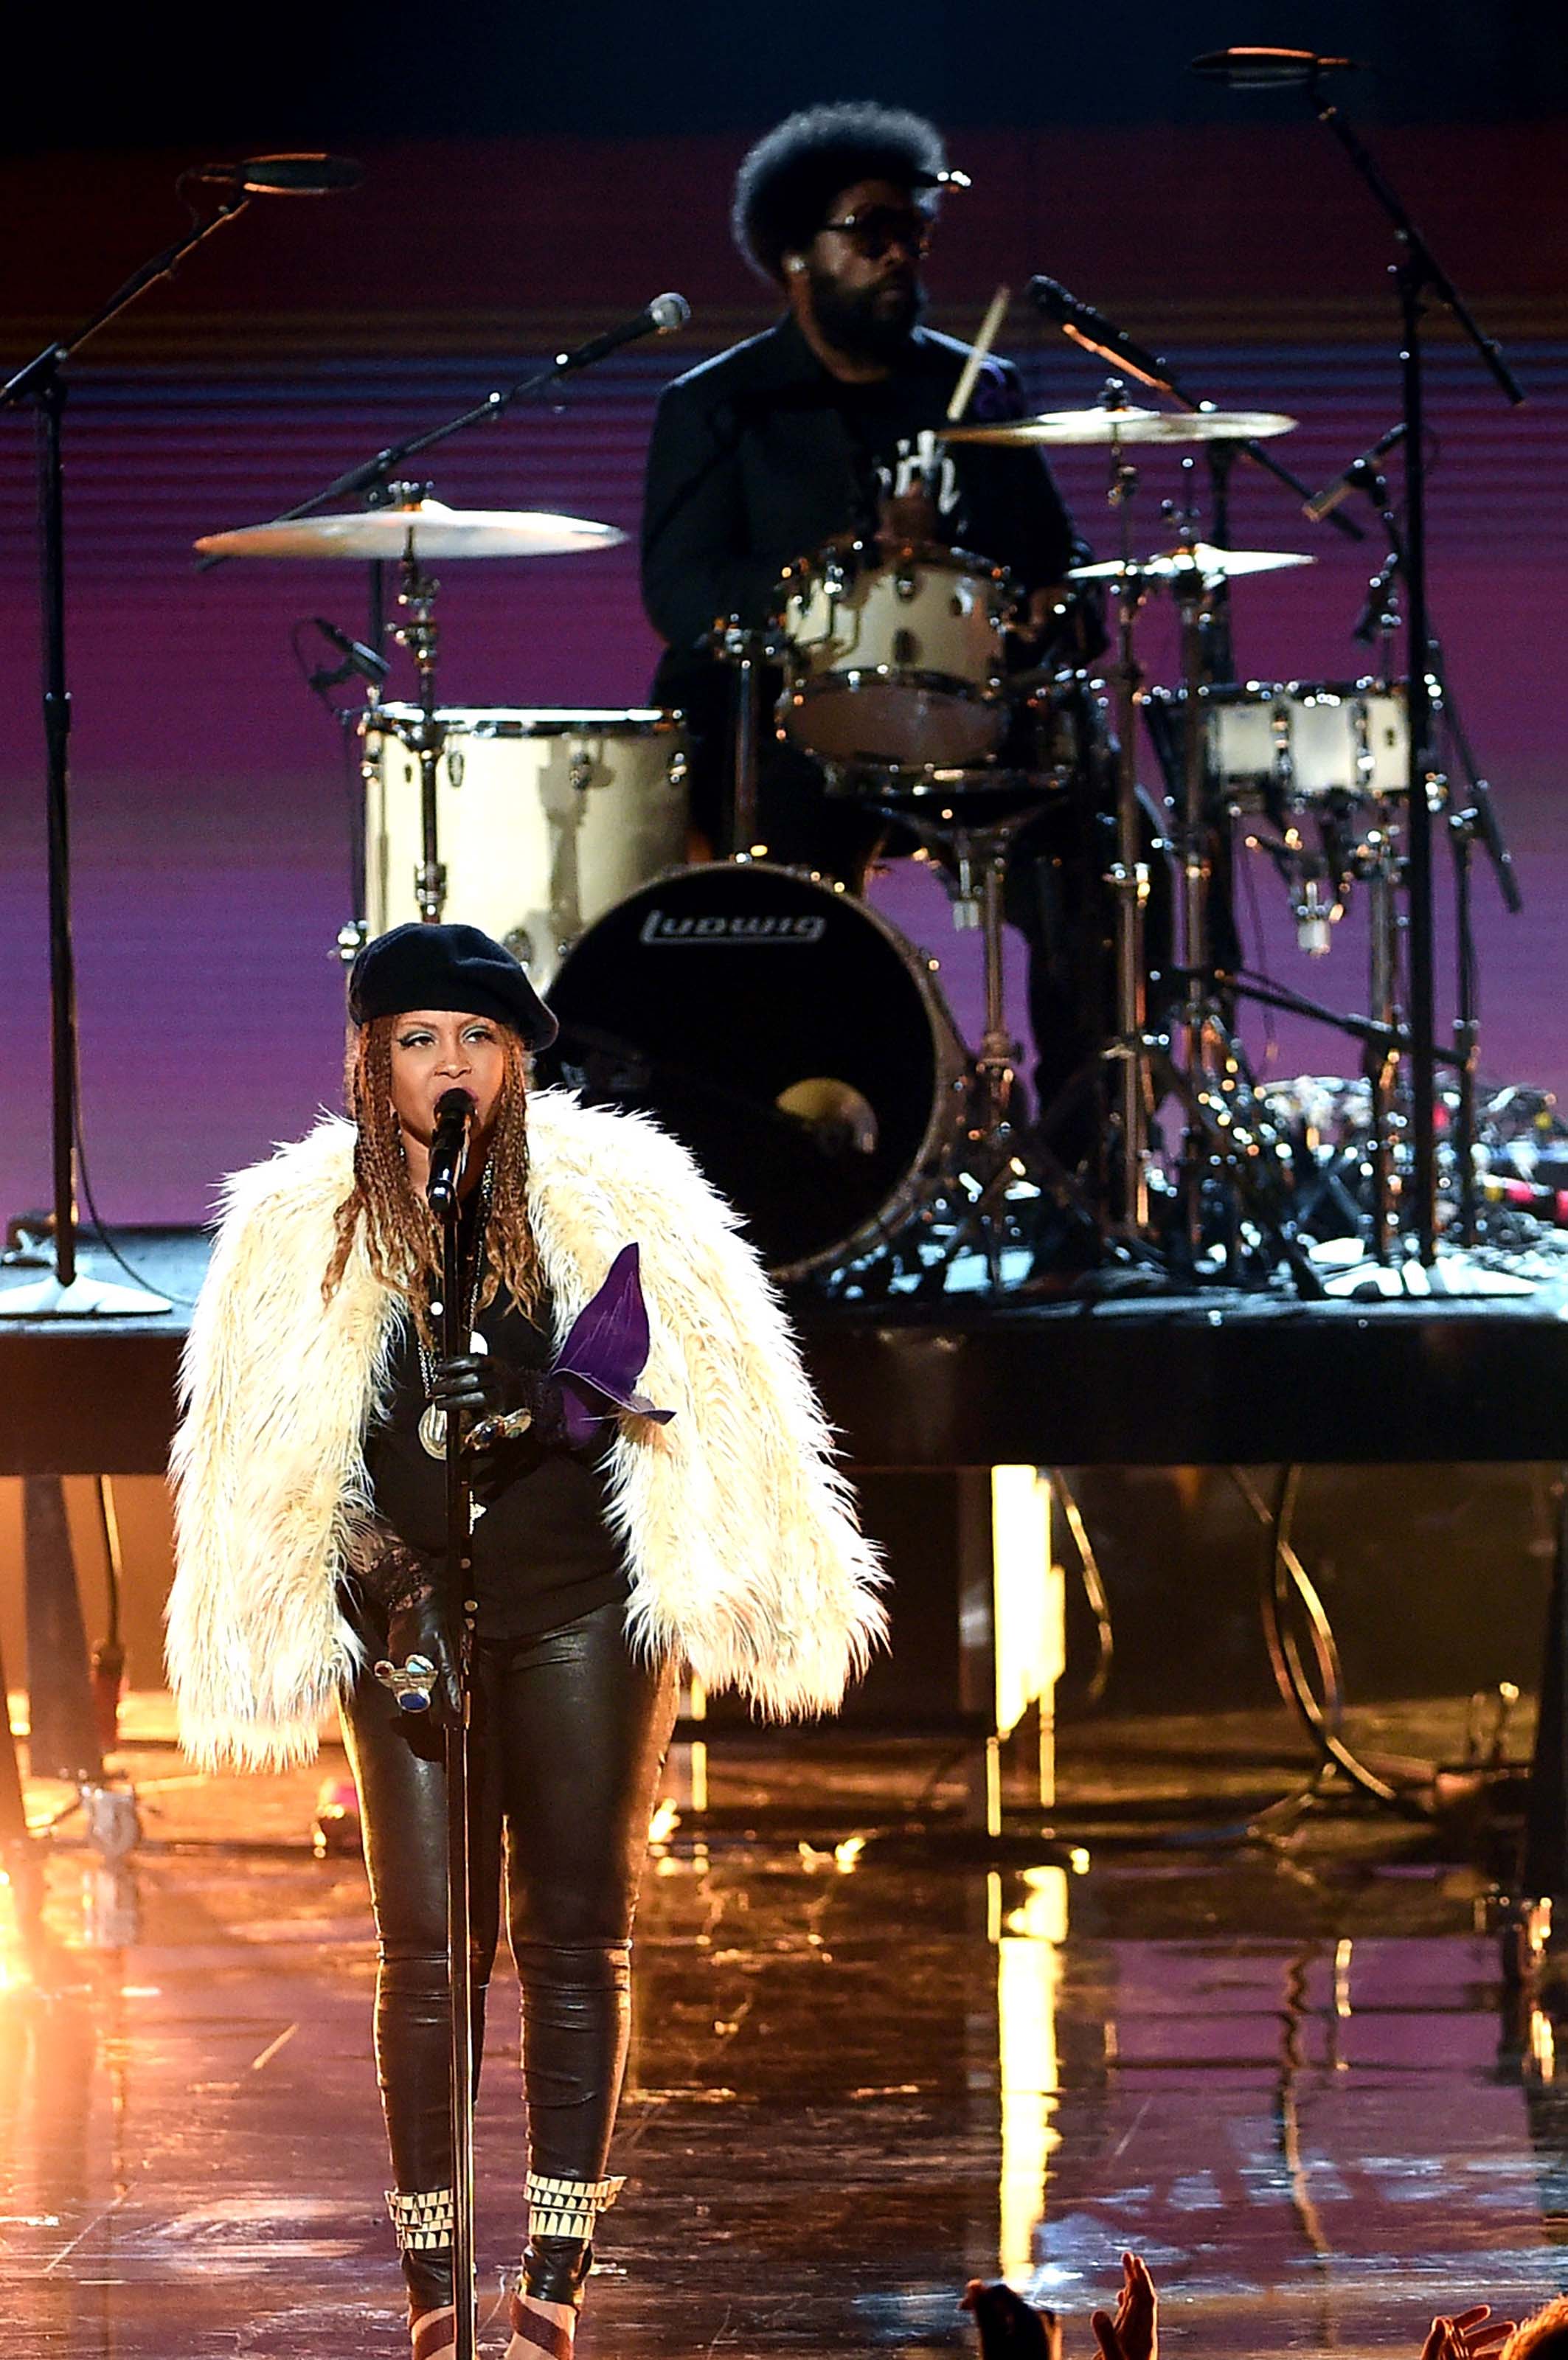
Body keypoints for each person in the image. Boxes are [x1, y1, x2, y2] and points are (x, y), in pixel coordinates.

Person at [166, 921, 885, 2360]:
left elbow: (709, 1389)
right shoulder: (298, 1222)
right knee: (427, 1947)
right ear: (372, 1057)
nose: (450, 1066)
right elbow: (274, 1462)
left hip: (579, 1614)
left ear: (515, 1061)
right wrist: (382, 1574)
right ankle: (434, 2284)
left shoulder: (621, 1192)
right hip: (404, 1619)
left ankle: (552, 2273)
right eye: (421, 1038)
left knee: (575, 1936)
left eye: (477, 1042)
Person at [640, 101, 1115, 1169]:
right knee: (781, 908)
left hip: (971, 732)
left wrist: (1046, 614)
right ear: (795, 258)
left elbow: (1068, 580)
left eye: (913, 234)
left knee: (1103, 852)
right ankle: (819, 1164)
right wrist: (843, 575)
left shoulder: (975, 389)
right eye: (870, 234)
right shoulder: (720, 406)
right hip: (790, 739)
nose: (901, 255)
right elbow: (679, 594)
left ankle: (1084, 1165)